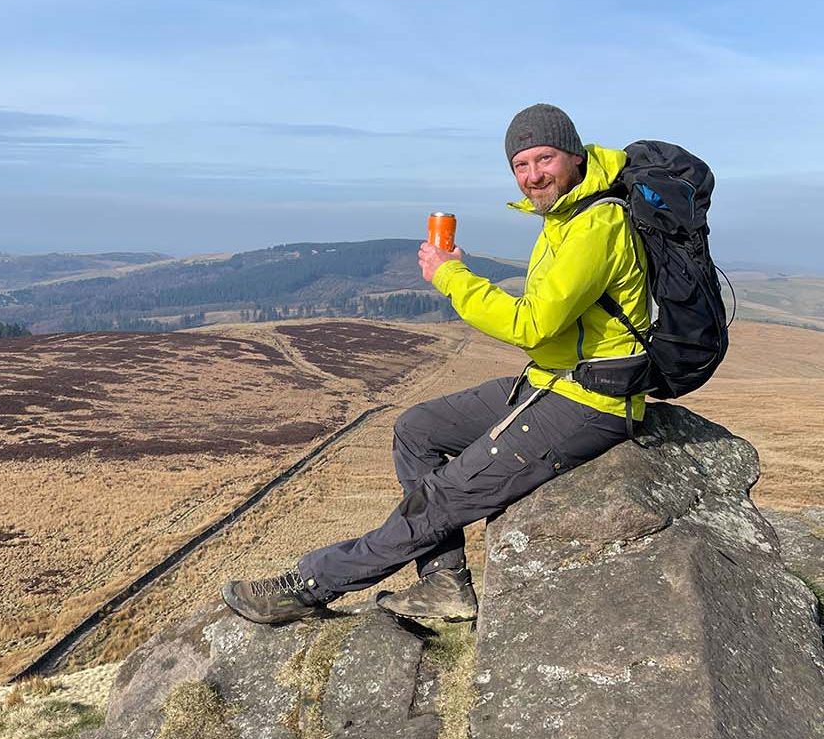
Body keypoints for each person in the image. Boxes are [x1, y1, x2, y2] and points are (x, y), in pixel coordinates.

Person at [221, 103, 649, 624]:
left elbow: (532, 325)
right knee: (417, 430)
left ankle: (308, 584)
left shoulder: (596, 224)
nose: (534, 175)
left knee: (443, 498)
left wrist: (452, 276)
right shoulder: (568, 217)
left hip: (588, 400)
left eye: (545, 158)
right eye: (521, 165)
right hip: (550, 381)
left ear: (575, 156)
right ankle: (444, 582)